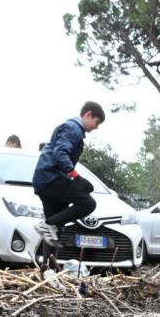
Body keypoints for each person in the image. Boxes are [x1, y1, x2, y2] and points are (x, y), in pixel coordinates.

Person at [31, 102, 105, 247]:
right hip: (50, 177)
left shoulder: (71, 128)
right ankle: (47, 224)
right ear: (88, 115)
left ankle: (49, 268)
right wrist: (76, 177)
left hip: (44, 179)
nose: (97, 127)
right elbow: (60, 153)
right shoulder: (73, 128)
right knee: (88, 203)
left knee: (53, 234)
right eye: (96, 122)